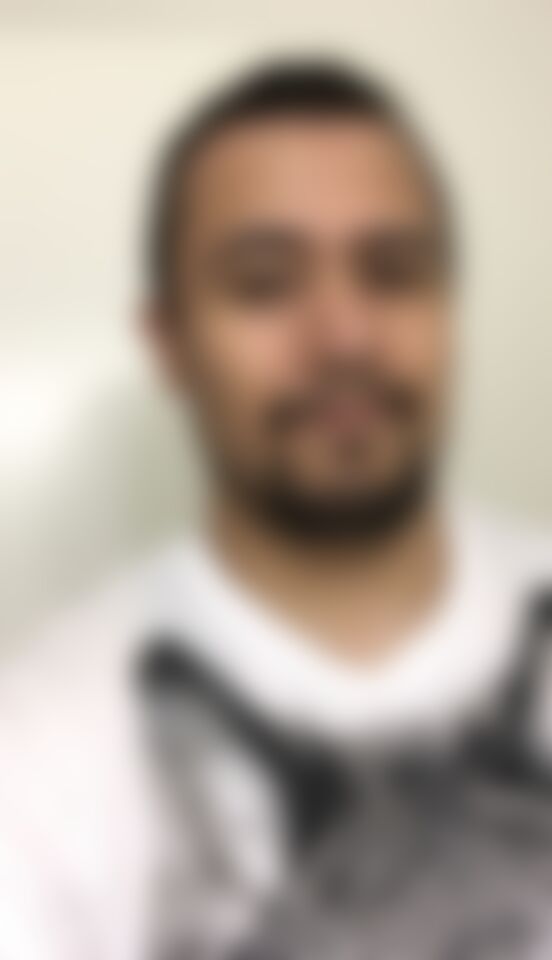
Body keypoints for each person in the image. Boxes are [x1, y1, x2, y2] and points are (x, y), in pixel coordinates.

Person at [0, 60, 550, 960]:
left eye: (395, 272)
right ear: (169, 343)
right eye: (264, 282)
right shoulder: (32, 762)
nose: (345, 336)